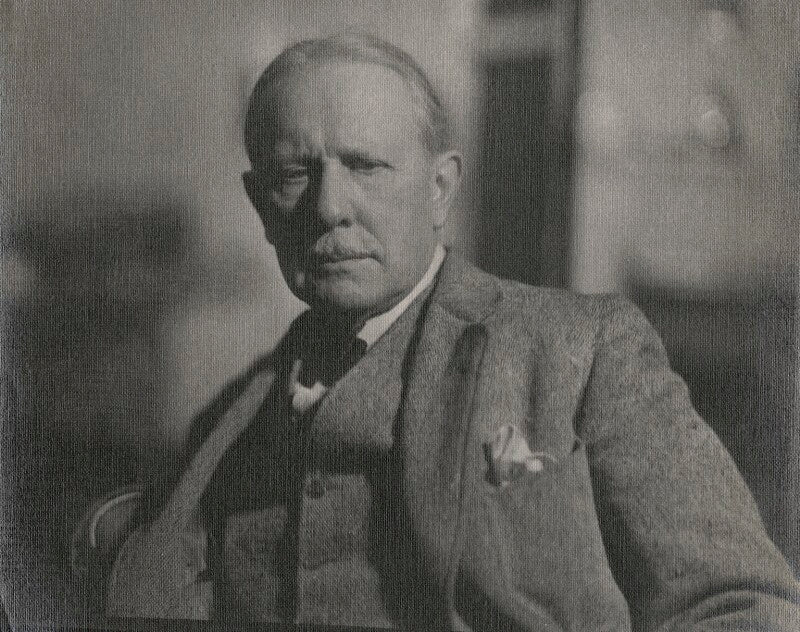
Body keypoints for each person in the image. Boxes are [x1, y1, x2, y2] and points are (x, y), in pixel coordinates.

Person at [73, 32, 800, 630]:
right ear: (261, 205)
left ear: (440, 189)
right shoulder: (226, 425)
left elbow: (740, 604)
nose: (328, 207)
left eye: (366, 166)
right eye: (295, 173)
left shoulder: (581, 353)